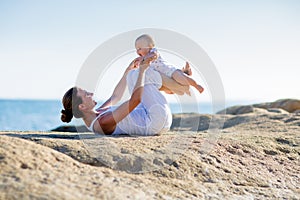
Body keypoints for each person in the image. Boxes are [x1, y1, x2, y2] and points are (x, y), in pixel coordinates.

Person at [61, 55, 189, 136]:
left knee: (132, 75)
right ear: (82, 106)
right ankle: (178, 84)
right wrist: (142, 70)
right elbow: (135, 100)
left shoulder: (98, 113)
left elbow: (115, 97)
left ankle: (176, 85)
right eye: (86, 94)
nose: (91, 94)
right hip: (156, 122)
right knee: (137, 75)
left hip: (153, 117)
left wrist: (127, 70)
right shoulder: (102, 122)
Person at [134, 34, 204, 95]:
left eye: (140, 48)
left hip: (170, 71)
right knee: (170, 91)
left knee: (182, 79)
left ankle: (196, 85)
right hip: (163, 76)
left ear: (149, 46)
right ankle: (185, 72)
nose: (137, 51)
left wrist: (145, 58)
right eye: (136, 49)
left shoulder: (153, 51)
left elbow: (154, 55)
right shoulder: (143, 58)